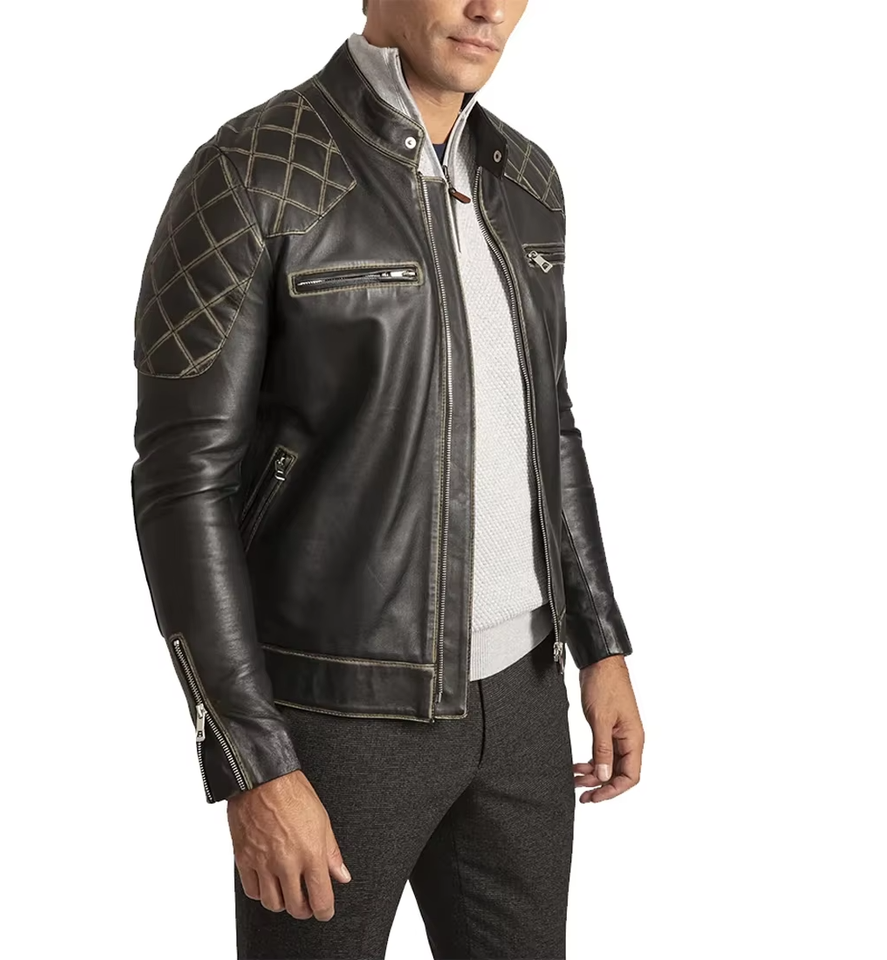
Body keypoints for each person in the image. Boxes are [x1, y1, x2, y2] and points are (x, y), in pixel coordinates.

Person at [130, 1, 644, 956]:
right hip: (336, 718)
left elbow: (550, 426)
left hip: (525, 701)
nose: (489, 8)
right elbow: (180, 485)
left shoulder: (525, 178)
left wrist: (601, 644)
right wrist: (252, 761)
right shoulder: (253, 170)